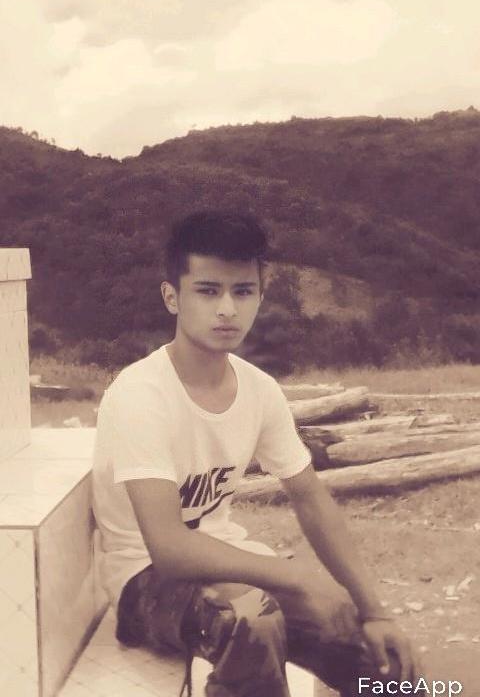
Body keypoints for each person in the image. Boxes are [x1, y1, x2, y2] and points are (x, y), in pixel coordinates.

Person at [92, 210, 421, 697]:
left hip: (227, 564)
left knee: (375, 651)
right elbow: (169, 548)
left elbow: (310, 497)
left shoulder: (259, 390)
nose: (227, 309)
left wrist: (374, 611)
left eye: (243, 291)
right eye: (208, 291)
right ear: (172, 297)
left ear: (260, 297)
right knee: (252, 616)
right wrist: (297, 577)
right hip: (144, 582)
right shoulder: (140, 394)